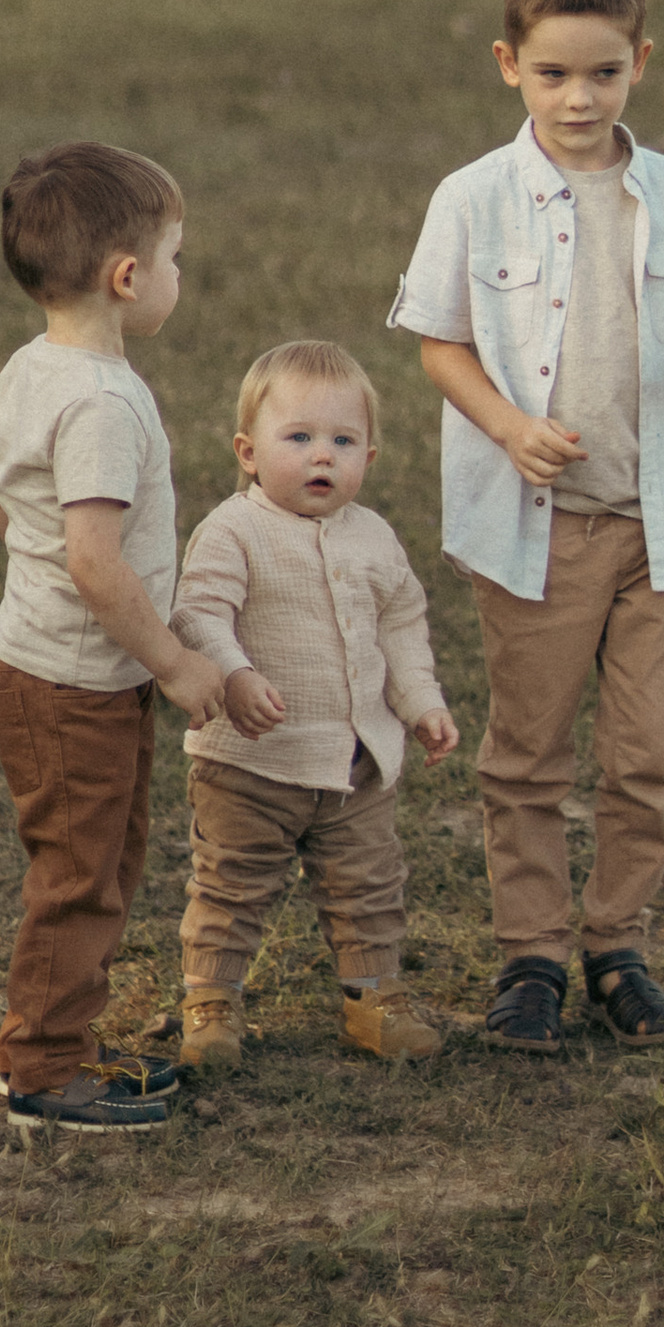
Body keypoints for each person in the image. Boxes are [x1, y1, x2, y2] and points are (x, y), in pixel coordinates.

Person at [387, 0, 664, 1053]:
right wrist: (509, 429)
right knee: (528, 753)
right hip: (538, 527)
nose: (578, 97)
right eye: (553, 73)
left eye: (603, 72)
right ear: (509, 64)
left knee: (650, 752)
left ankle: (617, 944)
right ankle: (531, 958)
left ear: (641, 63)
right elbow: (438, 343)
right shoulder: (473, 198)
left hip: (663, 520)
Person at [0, 142, 227, 1138]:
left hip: (56, 668)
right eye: (173, 258)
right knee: (80, 878)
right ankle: (41, 1068)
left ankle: (66, 1040)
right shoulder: (106, 404)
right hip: (72, 685)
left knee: (104, 865)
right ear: (128, 278)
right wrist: (173, 660)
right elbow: (93, 561)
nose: (177, 277)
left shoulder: (35, 366)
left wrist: (41, 570)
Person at [171, 341, 460, 1074]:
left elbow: (401, 625)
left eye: (342, 441)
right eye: (297, 439)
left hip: (354, 762)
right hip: (251, 766)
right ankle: (212, 1002)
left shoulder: (375, 538)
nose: (321, 457)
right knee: (232, 884)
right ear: (248, 450)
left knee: (368, 883)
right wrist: (233, 674)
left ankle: (373, 998)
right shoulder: (234, 530)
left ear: (371, 455)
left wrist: (420, 702)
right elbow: (200, 614)